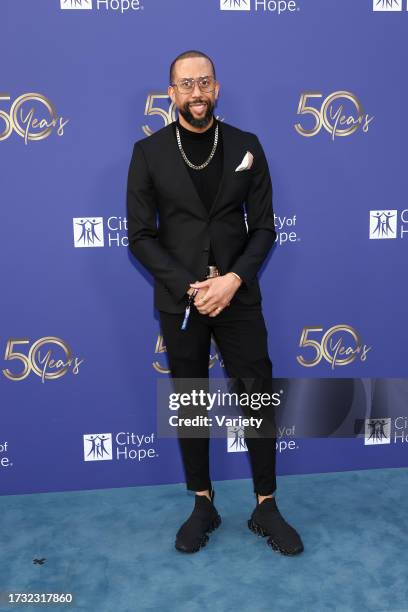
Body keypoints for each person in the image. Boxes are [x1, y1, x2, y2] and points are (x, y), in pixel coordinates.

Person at [126, 49, 303, 556]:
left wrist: (232, 281)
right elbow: (140, 236)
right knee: (191, 399)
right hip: (182, 301)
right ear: (171, 93)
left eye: (204, 82)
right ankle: (202, 503)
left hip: (238, 295)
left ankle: (266, 504)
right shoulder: (149, 152)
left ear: (217, 88)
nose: (196, 92)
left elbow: (265, 226)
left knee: (257, 394)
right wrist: (191, 285)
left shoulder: (248, 145)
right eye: (186, 84)